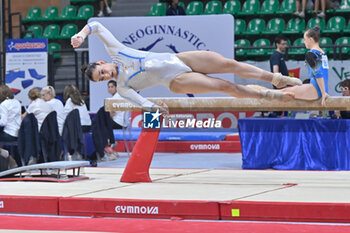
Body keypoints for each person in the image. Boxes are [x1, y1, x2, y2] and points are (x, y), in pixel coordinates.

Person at [71, 21, 302, 114]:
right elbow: (142, 102)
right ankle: (268, 95)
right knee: (225, 85)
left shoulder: (116, 51)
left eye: (103, 72)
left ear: (102, 63)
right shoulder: (122, 87)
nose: (107, 76)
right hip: (176, 82)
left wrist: (80, 36)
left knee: (229, 64)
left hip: (181, 58)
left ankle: (275, 78)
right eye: (102, 79)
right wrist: (155, 109)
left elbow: (96, 25)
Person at [275, 26, 329, 106]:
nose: (304, 42)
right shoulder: (323, 53)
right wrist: (324, 92)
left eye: (305, 39)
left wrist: (323, 93)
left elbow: (318, 73)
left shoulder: (311, 54)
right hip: (322, 89)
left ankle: (259, 93)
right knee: (283, 91)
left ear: (310, 39)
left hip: (315, 89)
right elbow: (324, 74)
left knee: (281, 93)